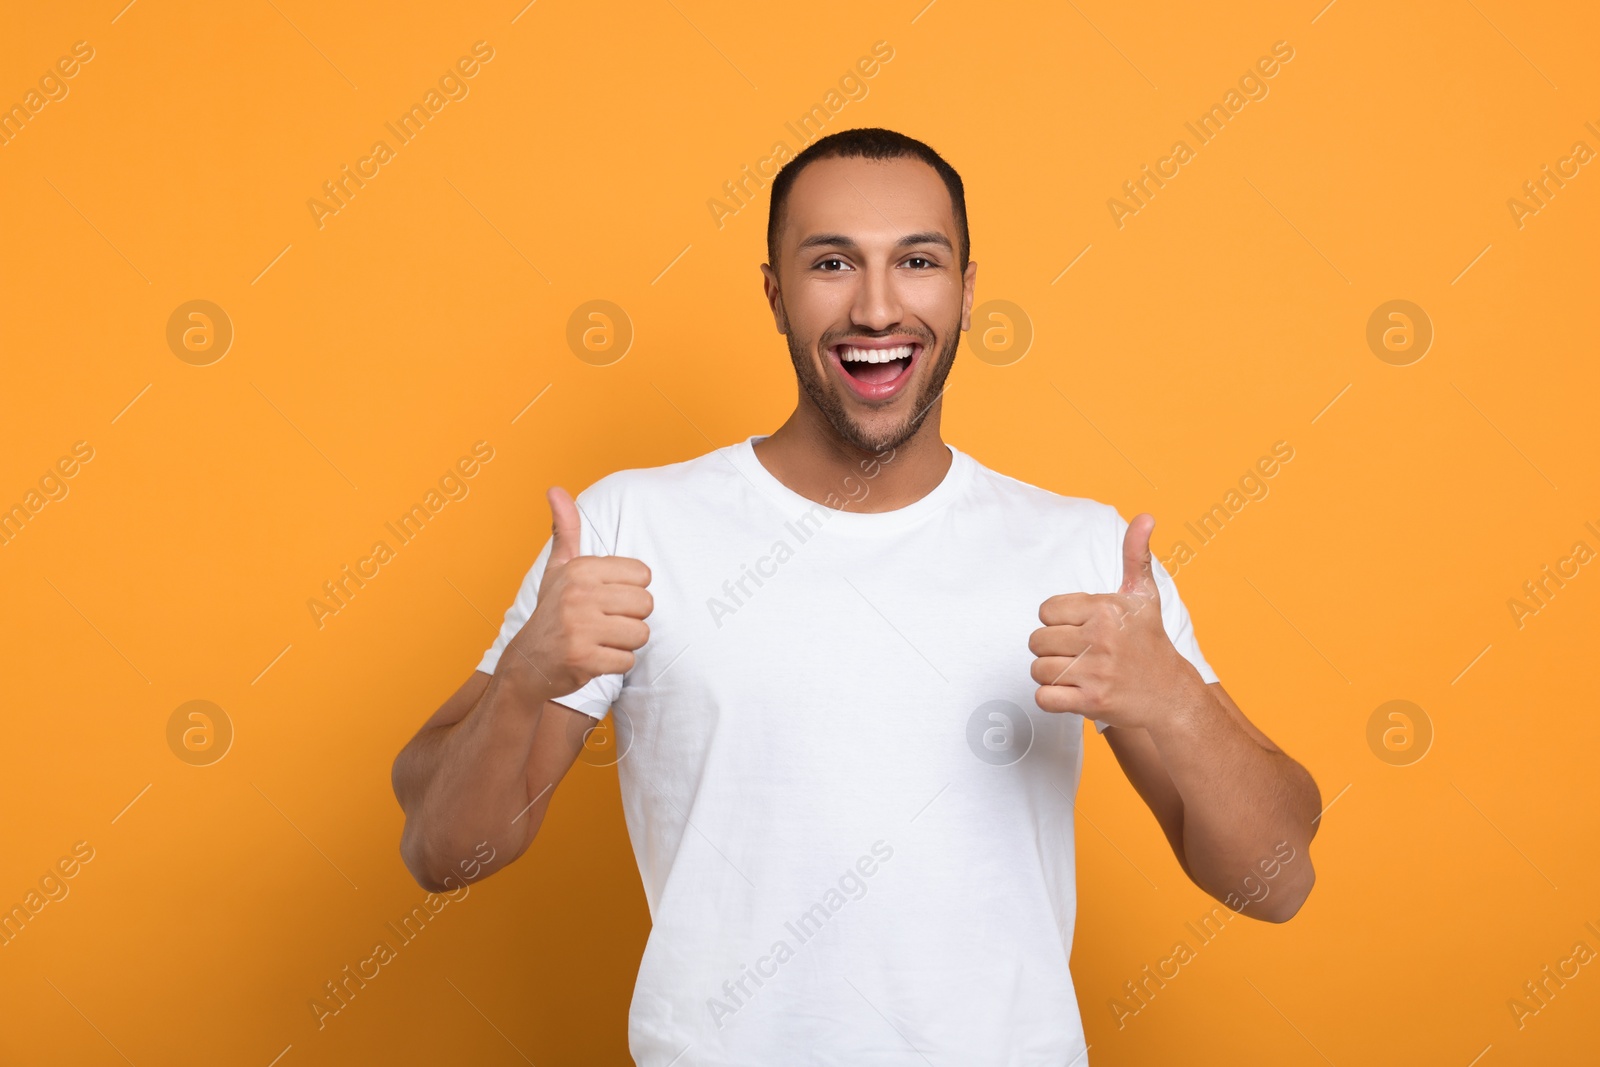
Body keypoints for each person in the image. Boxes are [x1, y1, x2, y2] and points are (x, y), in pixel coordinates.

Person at [391, 127, 1320, 1065]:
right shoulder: (632, 526)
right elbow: (442, 850)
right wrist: (520, 679)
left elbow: (1275, 881)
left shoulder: (1078, 548)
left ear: (964, 290)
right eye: (831, 262)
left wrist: (1175, 701)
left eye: (917, 261)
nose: (877, 307)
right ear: (774, 294)